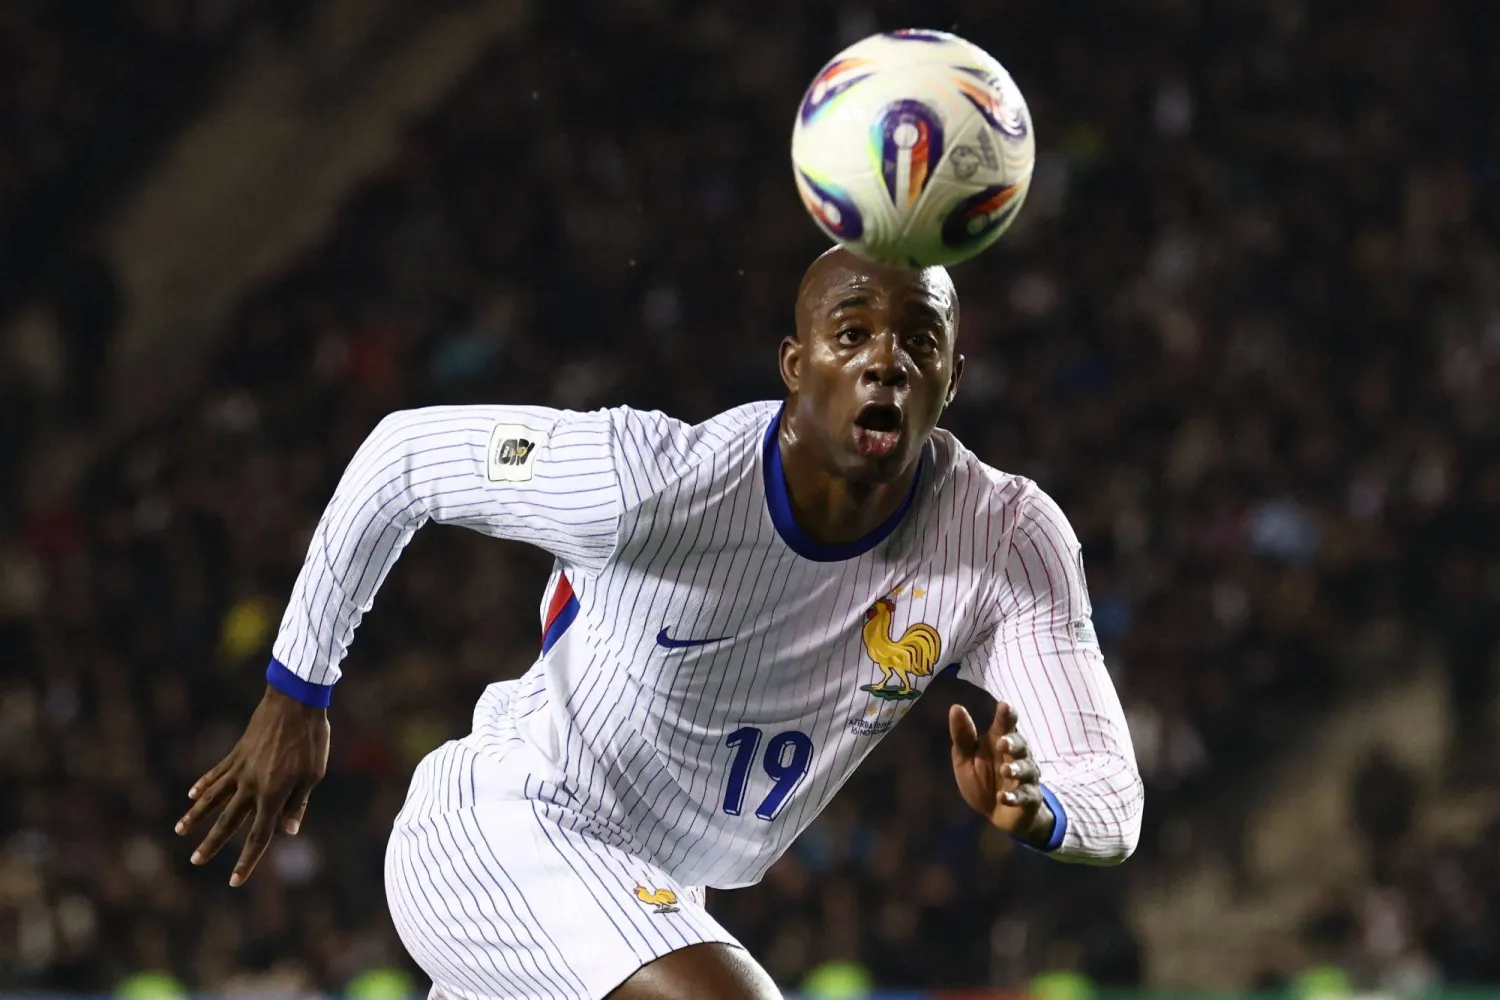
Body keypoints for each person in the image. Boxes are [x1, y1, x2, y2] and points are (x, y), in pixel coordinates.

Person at [175, 248, 1144, 1000]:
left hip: (652, 896)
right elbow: (404, 457)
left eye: (918, 340)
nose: (885, 360)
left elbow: (1112, 796)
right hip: (508, 821)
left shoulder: (1004, 539)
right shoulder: (654, 483)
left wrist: (1041, 809)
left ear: (952, 376)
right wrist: (295, 691)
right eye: (850, 334)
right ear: (794, 365)